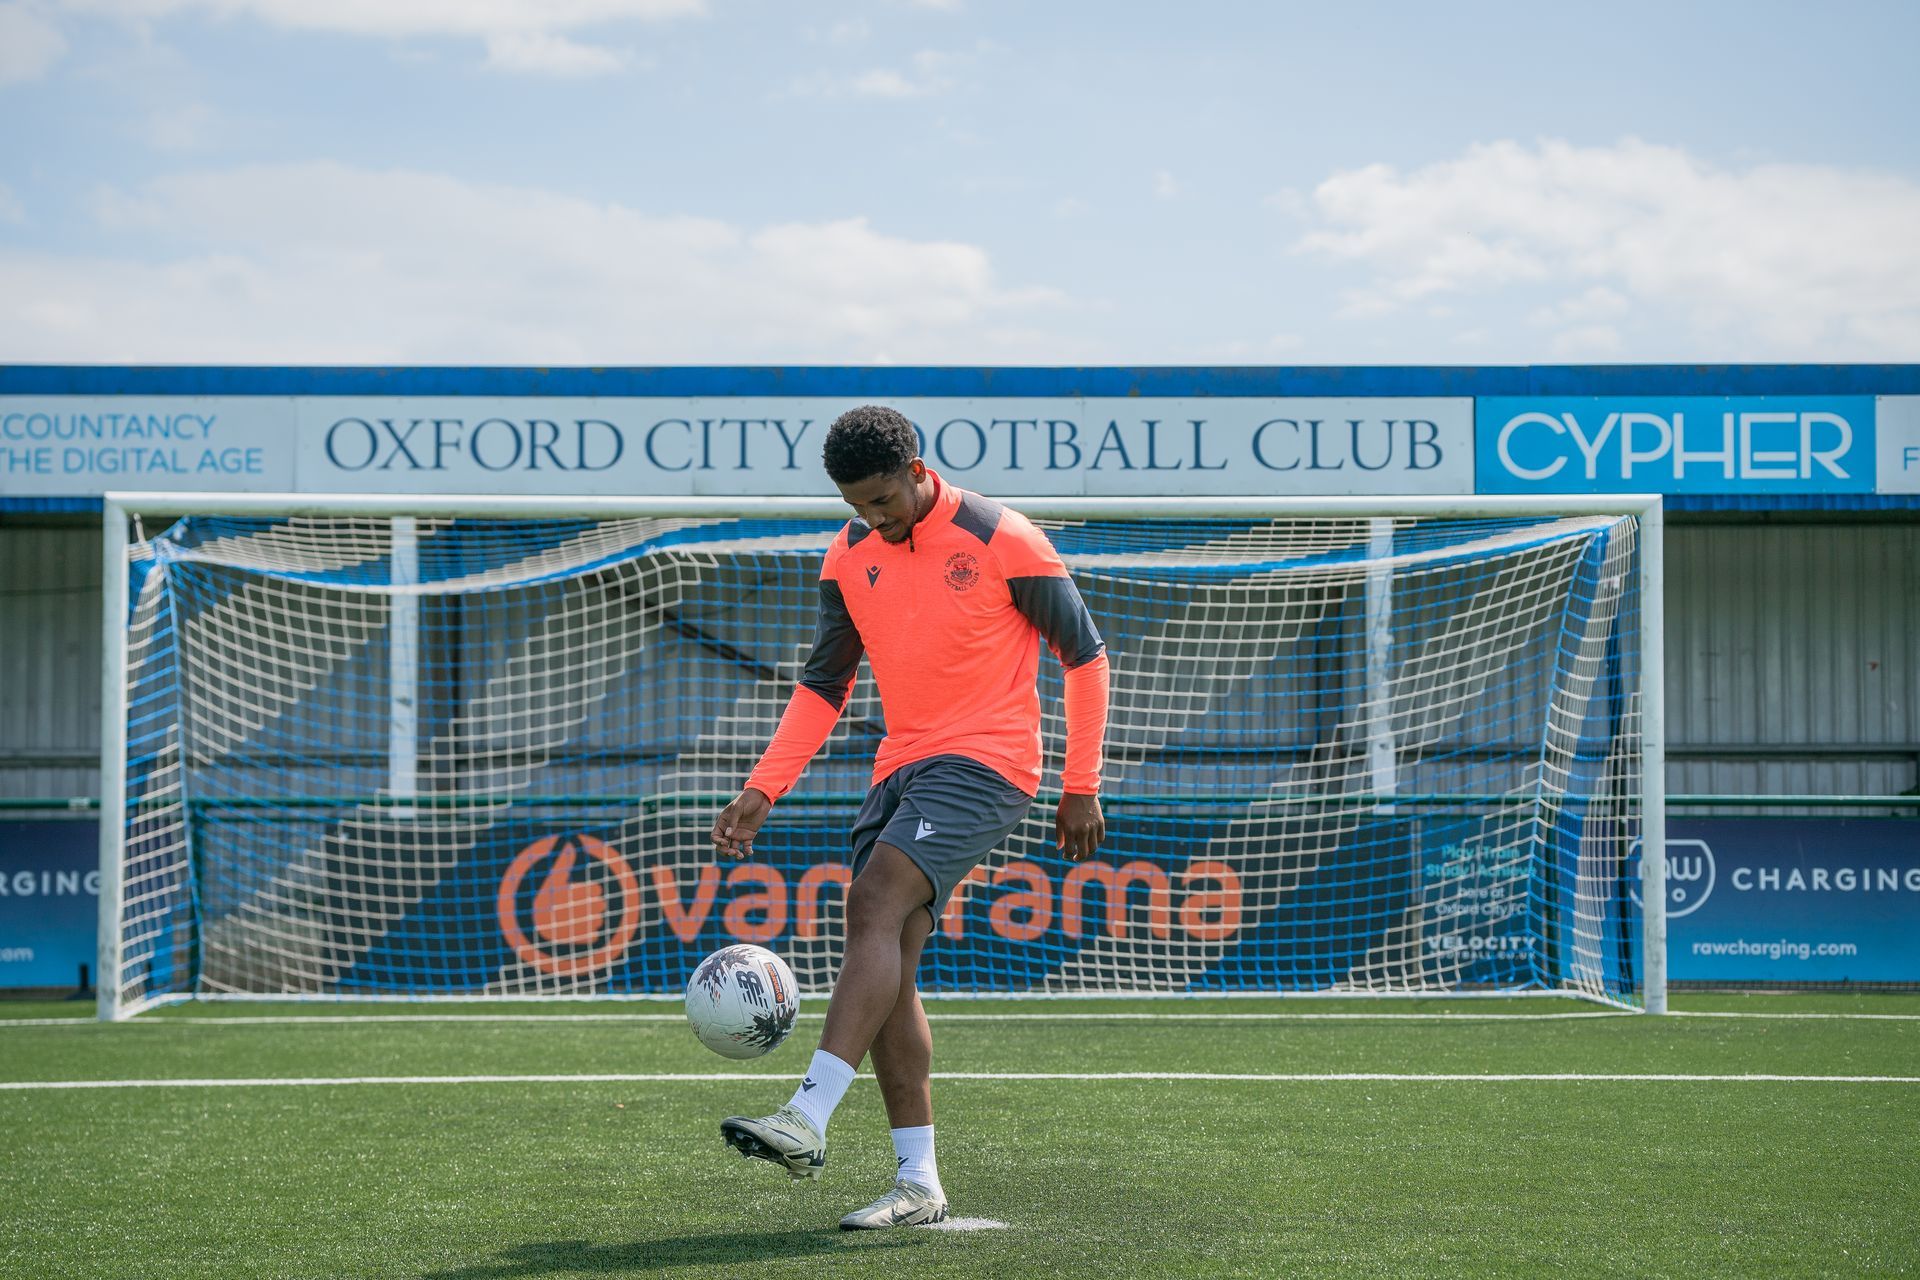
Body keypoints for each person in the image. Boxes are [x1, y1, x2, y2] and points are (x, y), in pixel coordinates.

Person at [710, 404, 1110, 1230]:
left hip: (989, 762)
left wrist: (1082, 782)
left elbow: (1086, 656)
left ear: (918, 468)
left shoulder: (1006, 538)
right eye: (859, 506)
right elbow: (825, 685)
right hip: (899, 768)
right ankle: (919, 1182)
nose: (876, 518)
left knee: (871, 904)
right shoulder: (848, 558)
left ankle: (806, 1116)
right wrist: (765, 785)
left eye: (884, 499)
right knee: (892, 968)